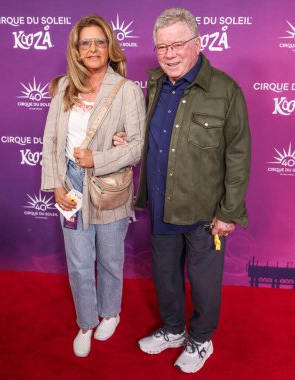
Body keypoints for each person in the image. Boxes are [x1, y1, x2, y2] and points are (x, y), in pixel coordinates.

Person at [114, 7, 250, 374]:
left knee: (204, 284)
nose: (169, 54)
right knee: (166, 278)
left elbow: (238, 154)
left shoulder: (225, 90)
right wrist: (127, 139)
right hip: (161, 205)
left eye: (177, 45)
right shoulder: (156, 84)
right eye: (162, 47)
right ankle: (174, 330)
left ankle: (200, 339)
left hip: (206, 214)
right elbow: (156, 136)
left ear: (198, 44)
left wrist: (229, 211)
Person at [41, 14, 145, 358]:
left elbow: (136, 145)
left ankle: (111, 313)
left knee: (111, 258)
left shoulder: (126, 90)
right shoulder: (64, 88)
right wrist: (56, 183)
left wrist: (97, 159)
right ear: (77, 49)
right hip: (71, 183)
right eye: (85, 42)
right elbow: (52, 140)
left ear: (109, 45)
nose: (93, 48)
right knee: (79, 261)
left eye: (99, 41)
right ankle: (85, 322)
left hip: (110, 186)